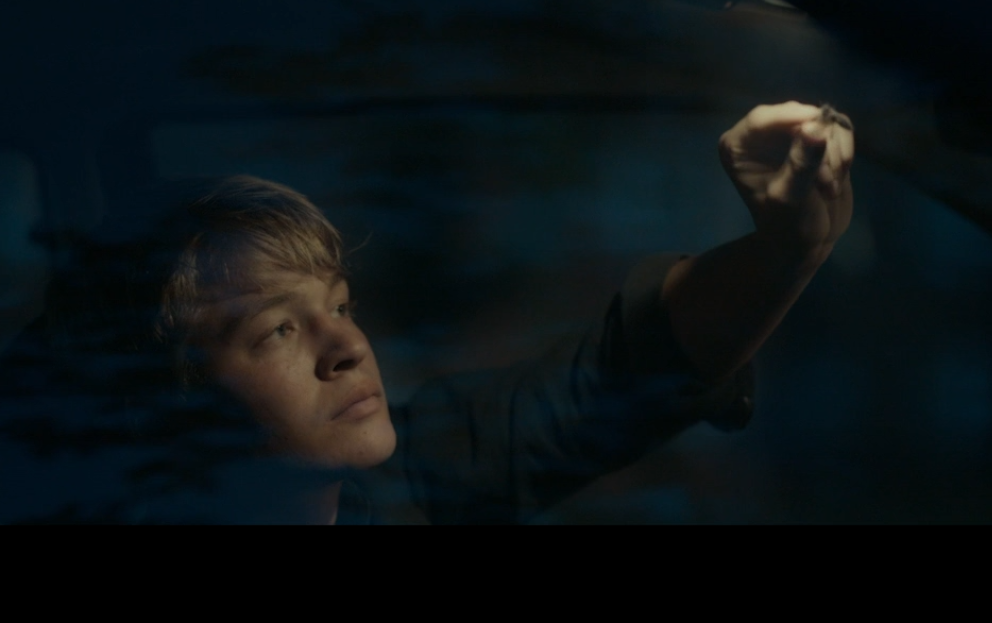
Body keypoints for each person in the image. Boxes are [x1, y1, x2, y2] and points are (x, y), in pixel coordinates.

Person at [1, 101, 854, 524]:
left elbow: (623, 374)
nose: (347, 344)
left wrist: (789, 245)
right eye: (277, 330)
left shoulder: (396, 485)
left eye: (339, 303)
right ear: (163, 406)